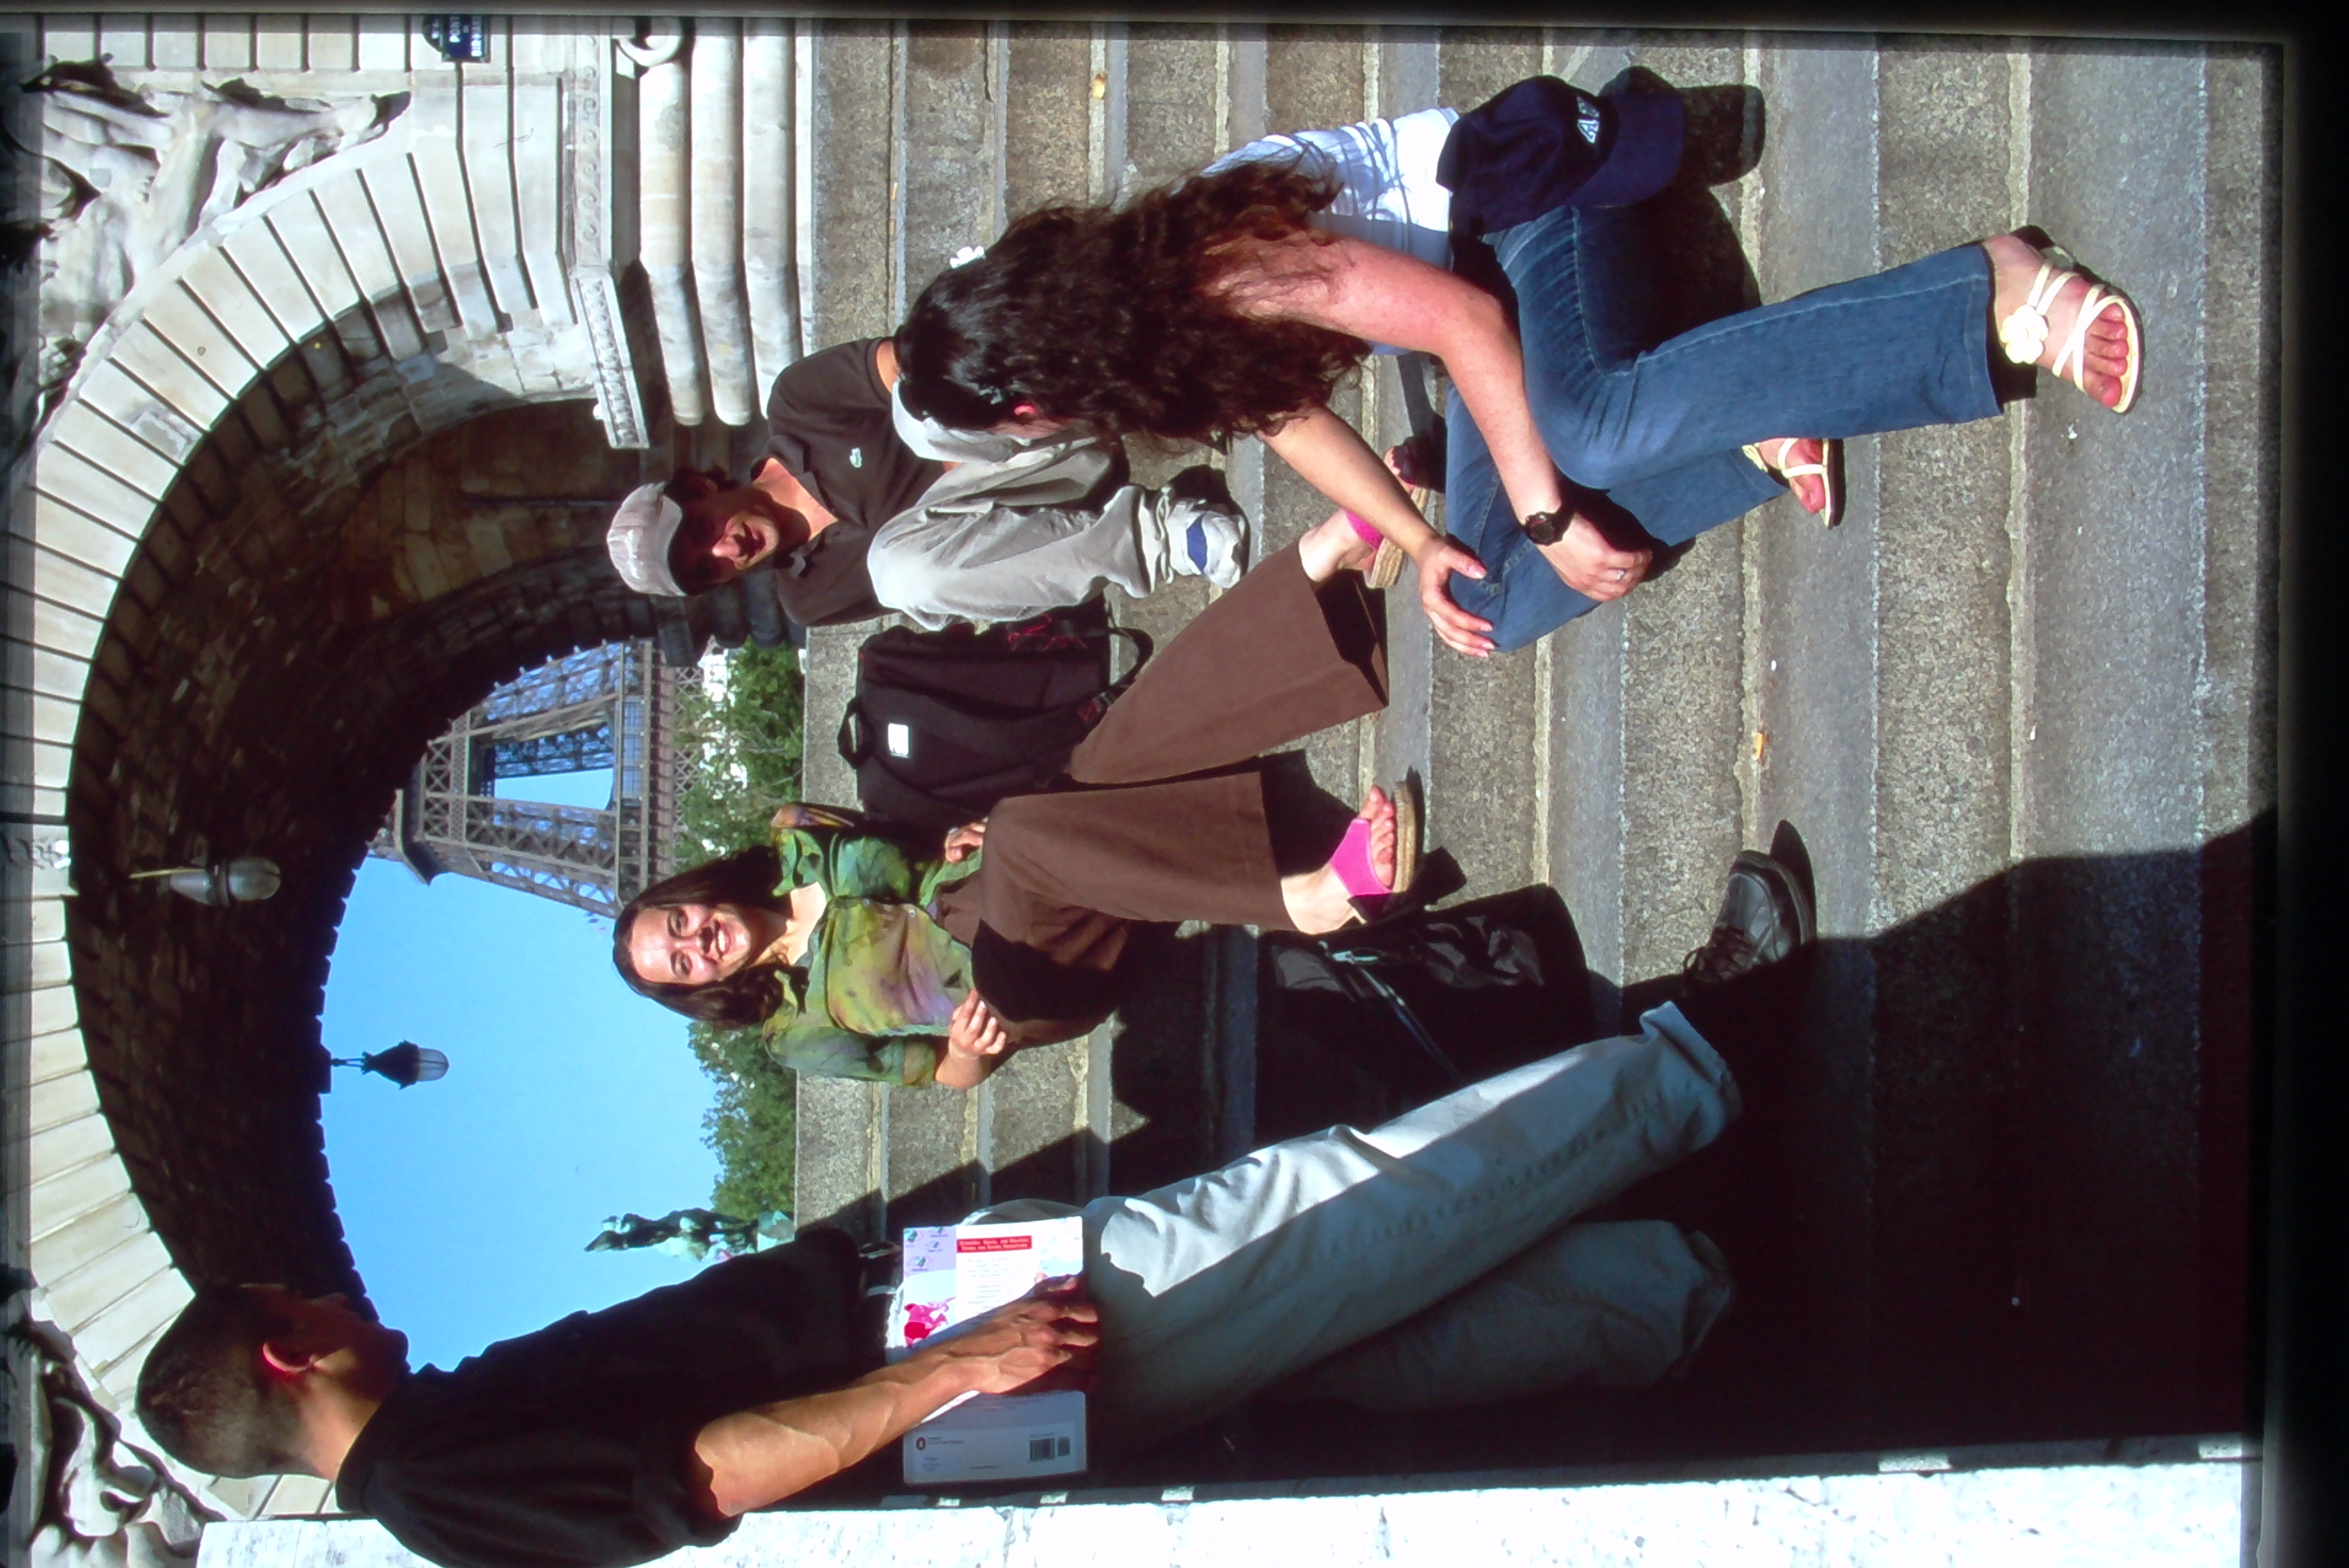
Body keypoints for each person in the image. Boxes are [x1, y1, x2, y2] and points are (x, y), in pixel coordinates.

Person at [132, 849, 1814, 1568]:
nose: (334, 1292)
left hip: (935, 1370)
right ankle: (1695, 1062)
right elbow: (697, 1473)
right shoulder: (434, 1467)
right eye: (306, 1294)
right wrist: (963, 1355)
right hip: (938, 1351)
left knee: (1358, 1329)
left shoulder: (433, 1486)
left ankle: (1690, 1289)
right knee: (1335, 1207)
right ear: (288, 1350)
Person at [892, 75, 2143, 658]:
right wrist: (1421, 539)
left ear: (1030, 396)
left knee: (1587, 439)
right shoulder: (1154, 340)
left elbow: (1465, 329)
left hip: (1529, 215)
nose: (1027, 446)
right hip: (1490, 300)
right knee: (1485, 603)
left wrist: (1543, 510)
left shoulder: (1207, 264)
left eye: (1007, 433)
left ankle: (1989, 286)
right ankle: (1737, 425)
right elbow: (1284, 417)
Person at [611, 509, 1413, 1091]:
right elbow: (943, 1078)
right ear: (694, 990)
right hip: (1014, 988)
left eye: (677, 922)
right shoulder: (798, 1033)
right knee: (1036, 825)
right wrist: (969, 1049)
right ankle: (1301, 900)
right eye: (681, 964)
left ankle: (1317, 592)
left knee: (1109, 758)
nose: (699, 942)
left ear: (691, 894)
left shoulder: (794, 840)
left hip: (998, 884)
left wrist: (953, 838)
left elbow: (912, 844)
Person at [603, 335, 1250, 632]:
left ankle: (1151, 379)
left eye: (701, 530)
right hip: (1050, 518)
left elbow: (923, 360)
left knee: (919, 408)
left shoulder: (797, 404)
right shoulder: (810, 597)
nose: (725, 550)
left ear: (697, 485)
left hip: (1044, 425)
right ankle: (1163, 535)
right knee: (901, 577)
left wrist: (953, 450)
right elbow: (954, 581)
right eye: (706, 570)